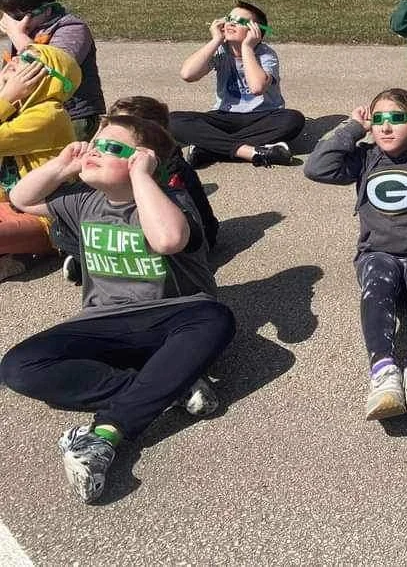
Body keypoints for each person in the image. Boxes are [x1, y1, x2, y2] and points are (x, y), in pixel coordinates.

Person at [2, 115, 235, 503]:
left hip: (172, 318)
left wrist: (143, 178)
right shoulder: (83, 202)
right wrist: (62, 165)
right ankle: (168, 387)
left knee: (216, 318)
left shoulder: (173, 202)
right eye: (94, 143)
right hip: (104, 322)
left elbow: (168, 239)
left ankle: (108, 432)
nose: (93, 150)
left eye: (110, 147)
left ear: (141, 160)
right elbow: (21, 199)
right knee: (17, 367)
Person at [303, 88, 407, 420]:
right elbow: (316, 168)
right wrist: (351, 129)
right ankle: (383, 373)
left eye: (398, 119)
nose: (387, 128)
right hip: (379, 252)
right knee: (376, 286)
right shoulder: (364, 158)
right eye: (379, 120)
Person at [52, 96, 220, 285]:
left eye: (115, 142)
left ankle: (87, 261)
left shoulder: (166, 171)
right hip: (137, 233)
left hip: (185, 238)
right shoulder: (111, 167)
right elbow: (24, 199)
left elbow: (175, 232)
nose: (100, 145)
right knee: (61, 227)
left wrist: (140, 176)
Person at [170, 1, 305, 169]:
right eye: (229, 18)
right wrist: (216, 40)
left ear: (255, 31)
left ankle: (209, 149)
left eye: (241, 22)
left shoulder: (266, 54)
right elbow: (187, 74)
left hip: (263, 116)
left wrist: (247, 47)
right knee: (172, 120)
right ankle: (252, 152)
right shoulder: (220, 50)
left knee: (293, 119)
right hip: (224, 116)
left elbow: (257, 88)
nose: (231, 23)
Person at [0, 44, 80, 281]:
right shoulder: (14, 109)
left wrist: (5, 97)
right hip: (7, 206)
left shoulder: (50, 115)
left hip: (43, 218)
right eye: (15, 55)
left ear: (48, 79)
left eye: (27, 59)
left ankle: (33, 252)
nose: (13, 60)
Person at [0, 0, 105, 140]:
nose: (14, 23)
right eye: (9, 17)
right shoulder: (26, 30)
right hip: (35, 115)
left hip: (72, 117)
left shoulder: (72, 29)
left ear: (47, 9)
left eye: (19, 17)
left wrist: (17, 34)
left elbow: (53, 71)